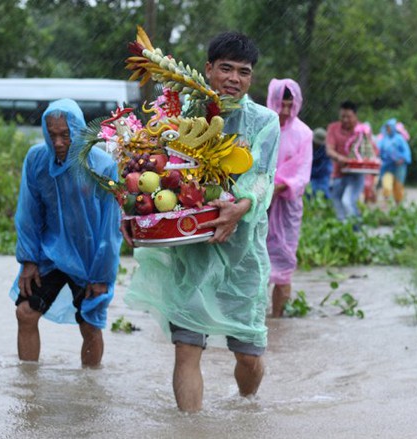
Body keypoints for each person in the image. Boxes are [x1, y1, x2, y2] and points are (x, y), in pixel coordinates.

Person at [122, 32, 280, 412]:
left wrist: (242, 206)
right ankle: (189, 431)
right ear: (208, 69)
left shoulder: (265, 121)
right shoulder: (179, 111)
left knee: (248, 356)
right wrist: (132, 210)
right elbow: (150, 165)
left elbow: (261, 176)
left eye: (244, 72)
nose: (234, 78)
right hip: (190, 250)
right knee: (187, 348)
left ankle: (247, 406)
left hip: (242, 257)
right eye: (225, 68)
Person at [9, 98, 122, 367]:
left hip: (88, 258)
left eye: (65, 135)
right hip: (50, 253)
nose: (58, 142)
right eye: (52, 135)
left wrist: (102, 275)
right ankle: (28, 387)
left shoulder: (102, 166)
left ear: (79, 132)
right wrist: (28, 260)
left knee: (90, 326)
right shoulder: (37, 160)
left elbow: (110, 227)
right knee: (25, 313)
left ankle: (90, 390)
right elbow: (28, 212)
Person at [265, 78, 312, 318]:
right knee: (255, 263)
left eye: (288, 105)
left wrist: (275, 189)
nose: (284, 111)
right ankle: (253, 321)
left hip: (287, 208)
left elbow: (302, 174)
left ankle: (277, 319)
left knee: (284, 265)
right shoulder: (262, 127)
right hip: (258, 205)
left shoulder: (304, 133)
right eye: (280, 104)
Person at [325, 101, 364, 225]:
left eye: (349, 117)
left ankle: (355, 229)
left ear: (355, 116)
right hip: (339, 172)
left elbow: (371, 151)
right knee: (336, 200)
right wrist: (341, 158)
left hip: (357, 174)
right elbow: (329, 150)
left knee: (347, 201)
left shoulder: (362, 130)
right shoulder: (333, 128)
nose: (345, 120)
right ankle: (343, 228)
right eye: (343, 116)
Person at [377, 118, 412, 205]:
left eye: (389, 127)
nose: (388, 129)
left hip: (399, 166)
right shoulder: (384, 140)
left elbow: (406, 152)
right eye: (387, 128)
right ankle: (385, 203)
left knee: (398, 187)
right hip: (387, 166)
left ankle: (398, 204)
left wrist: (402, 159)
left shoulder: (399, 139)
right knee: (386, 185)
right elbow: (378, 151)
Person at [309, 127, 332, 199]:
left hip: (322, 174)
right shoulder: (307, 145)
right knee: (308, 192)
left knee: (323, 192)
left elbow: (324, 168)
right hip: (308, 174)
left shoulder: (326, 150)